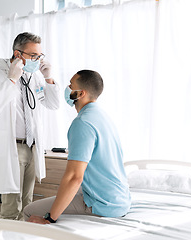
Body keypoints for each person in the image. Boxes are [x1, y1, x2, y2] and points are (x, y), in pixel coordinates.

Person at [23, 70, 131, 224]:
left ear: (81, 93)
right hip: (120, 198)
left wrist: (50, 218)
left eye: (71, 85)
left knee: (29, 211)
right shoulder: (103, 116)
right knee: (64, 192)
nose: (67, 88)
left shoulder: (83, 123)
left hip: (105, 205)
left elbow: (75, 178)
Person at [0, 32, 60, 220]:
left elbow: (53, 104)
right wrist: (11, 80)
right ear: (17, 54)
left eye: (39, 56)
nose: (37, 60)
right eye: (33, 56)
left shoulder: (34, 76)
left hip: (32, 147)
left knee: (28, 204)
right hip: (12, 148)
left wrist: (48, 78)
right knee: (11, 207)